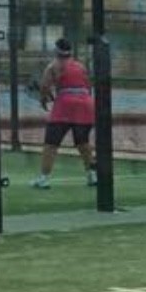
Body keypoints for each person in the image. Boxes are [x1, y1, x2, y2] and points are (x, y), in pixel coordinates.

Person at [31, 37, 96, 189]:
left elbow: (45, 86)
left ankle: (44, 179)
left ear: (56, 50)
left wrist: (43, 99)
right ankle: (92, 176)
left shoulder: (52, 66)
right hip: (85, 105)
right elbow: (88, 87)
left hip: (64, 106)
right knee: (83, 142)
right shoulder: (81, 66)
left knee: (51, 143)